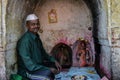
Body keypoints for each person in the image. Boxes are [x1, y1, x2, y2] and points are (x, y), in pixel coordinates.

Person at [16, 14, 62, 80]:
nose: (36, 26)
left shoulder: (36, 37)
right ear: (27, 25)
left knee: (54, 66)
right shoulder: (24, 41)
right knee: (47, 75)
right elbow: (30, 66)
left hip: (38, 66)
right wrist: (48, 69)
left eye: (37, 24)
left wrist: (54, 61)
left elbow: (43, 54)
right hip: (28, 71)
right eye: (33, 24)